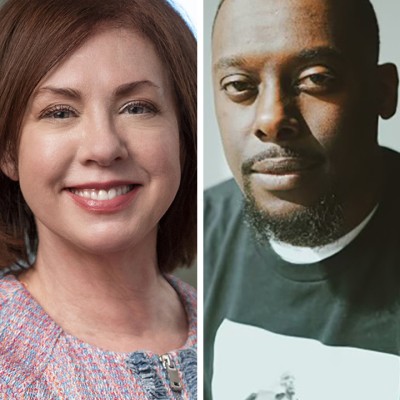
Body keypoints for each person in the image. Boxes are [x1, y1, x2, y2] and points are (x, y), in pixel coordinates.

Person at [0, 0, 197, 398]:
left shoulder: (241, 326)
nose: (104, 147)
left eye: (137, 107)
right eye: (59, 112)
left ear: (183, 135)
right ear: (7, 149)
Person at [204, 0, 400, 399]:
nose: (271, 119)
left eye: (315, 79)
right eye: (240, 86)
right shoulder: (191, 246)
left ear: (383, 93)